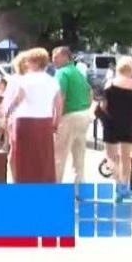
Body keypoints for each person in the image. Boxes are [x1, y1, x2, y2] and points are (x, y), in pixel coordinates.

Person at [4, 48, 62, 183]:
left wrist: (8, 112)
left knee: (25, 156)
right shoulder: (52, 81)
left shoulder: (26, 80)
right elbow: (58, 103)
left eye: (29, 61)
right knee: (44, 157)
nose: (26, 64)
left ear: (35, 62)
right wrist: (56, 122)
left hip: (25, 121)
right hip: (45, 121)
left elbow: (18, 99)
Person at [98, 56, 132, 199]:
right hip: (130, 123)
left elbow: (103, 106)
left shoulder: (110, 84)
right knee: (126, 158)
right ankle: (125, 185)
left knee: (111, 157)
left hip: (112, 123)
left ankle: (118, 184)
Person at [52, 46, 93, 187]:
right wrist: (85, 106)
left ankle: (55, 189)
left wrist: (56, 121)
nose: (53, 60)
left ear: (65, 57)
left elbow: (60, 98)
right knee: (79, 155)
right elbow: (90, 92)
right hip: (83, 115)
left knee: (59, 156)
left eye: (56, 57)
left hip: (69, 116)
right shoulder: (77, 72)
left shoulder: (61, 73)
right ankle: (80, 188)